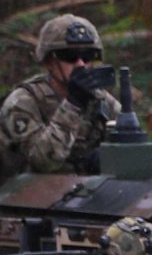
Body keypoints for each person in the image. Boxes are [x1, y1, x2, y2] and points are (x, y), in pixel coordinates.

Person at [0, 14, 119, 175]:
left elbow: (132, 157)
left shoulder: (103, 102)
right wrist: (73, 105)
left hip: (83, 196)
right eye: (70, 57)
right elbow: (44, 161)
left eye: (87, 56)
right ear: (49, 61)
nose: (80, 64)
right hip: (26, 196)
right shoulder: (23, 102)